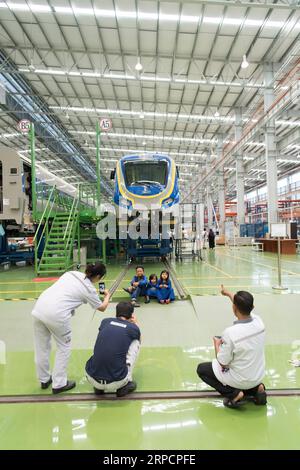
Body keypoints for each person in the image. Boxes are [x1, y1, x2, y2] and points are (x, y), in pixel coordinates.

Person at [32, 262, 110, 394]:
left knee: (41, 346)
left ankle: (44, 379)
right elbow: (101, 307)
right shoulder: (89, 290)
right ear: (98, 277)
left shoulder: (71, 273)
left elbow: (69, 291)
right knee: (64, 347)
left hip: (39, 308)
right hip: (57, 314)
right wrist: (107, 296)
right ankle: (59, 384)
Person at [197, 285, 266, 408]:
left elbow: (223, 363)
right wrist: (228, 294)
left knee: (202, 370)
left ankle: (234, 394)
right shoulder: (259, 322)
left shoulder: (230, 333)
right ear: (252, 307)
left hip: (240, 380)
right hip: (257, 376)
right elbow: (242, 305)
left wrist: (217, 344)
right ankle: (257, 389)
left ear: (234, 309)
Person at [85, 301, 141, 397]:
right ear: (131, 315)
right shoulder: (132, 328)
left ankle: (99, 387)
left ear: (116, 313)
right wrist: (136, 324)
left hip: (92, 379)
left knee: (105, 342)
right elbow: (139, 337)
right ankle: (126, 383)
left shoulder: (105, 321)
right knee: (136, 341)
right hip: (117, 382)